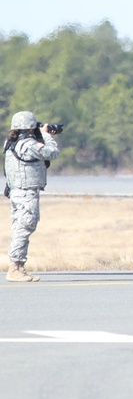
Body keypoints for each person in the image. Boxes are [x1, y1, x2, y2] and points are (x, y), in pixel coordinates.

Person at [4, 111, 59, 282]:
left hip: (17, 191)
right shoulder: (28, 144)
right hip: (26, 192)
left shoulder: (11, 143)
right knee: (25, 226)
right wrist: (46, 136)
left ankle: (19, 267)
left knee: (21, 227)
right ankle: (14, 267)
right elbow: (52, 153)